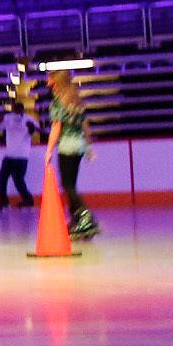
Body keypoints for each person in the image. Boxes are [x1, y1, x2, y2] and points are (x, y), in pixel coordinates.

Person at [44, 68, 101, 240]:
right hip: (79, 145)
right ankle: (77, 219)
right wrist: (89, 147)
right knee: (71, 184)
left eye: (49, 79)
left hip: (67, 146)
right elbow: (85, 124)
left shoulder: (58, 101)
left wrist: (49, 150)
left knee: (68, 185)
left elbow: (56, 127)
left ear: (56, 81)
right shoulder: (75, 99)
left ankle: (85, 216)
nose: (47, 83)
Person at [0, 100, 40, 210]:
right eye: (14, 110)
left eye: (18, 110)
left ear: (22, 110)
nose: (16, 112)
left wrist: (32, 128)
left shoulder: (28, 118)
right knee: (2, 179)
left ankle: (28, 199)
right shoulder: (7, 118)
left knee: (18, 180)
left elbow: (39, 129)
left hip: (21, 155)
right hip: (9, 155)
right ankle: (4, 201)